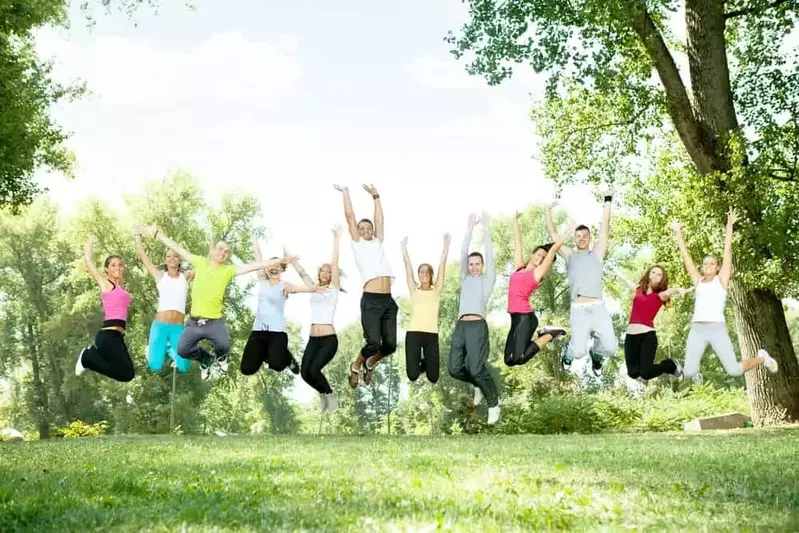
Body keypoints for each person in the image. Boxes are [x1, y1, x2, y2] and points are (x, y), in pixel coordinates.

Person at [143, 226, 294, 381]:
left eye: (226, 252)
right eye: (220, 249)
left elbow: (254, 266)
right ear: (213, 251)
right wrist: (157, 234)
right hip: (195, 322)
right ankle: (206, 360)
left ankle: (221, 357)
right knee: (182, 350)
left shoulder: (229, 270)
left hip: (214, 322)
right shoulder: (200, 263)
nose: (223, 253)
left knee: (224, 345)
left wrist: (280, 260)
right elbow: (178, 249)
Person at [671, 208, 778, 383]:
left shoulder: (721, 281)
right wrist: (678, 231)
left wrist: (729, 225)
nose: (708, 266)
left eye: (712, 264)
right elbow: (686, 256)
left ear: (718, 267)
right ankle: (694, 371)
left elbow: (727, 251)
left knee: (734, 370)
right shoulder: (697, 281)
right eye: (705, 264)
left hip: (716, 329)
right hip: (697, 329)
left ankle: (763, 358)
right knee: (688, 373)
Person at [545, 190, 617, 377]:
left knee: (610, 347)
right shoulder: (570, 256)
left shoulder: (597, 253)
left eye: (585, 235)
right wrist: (547, 211)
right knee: (578, 352)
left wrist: (608, 200)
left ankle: (597, 354)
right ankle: (569, 353)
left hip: (598, 308)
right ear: (574, 238)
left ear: (589, 238)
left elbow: (605, 228)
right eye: (578, 236)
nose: (582, 238)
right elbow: (553, 234)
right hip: (579, 310)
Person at [335, 184, 397, 389]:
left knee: (389, 346)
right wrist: (345, 192)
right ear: (359, 233)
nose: (365, 230)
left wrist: (376, 196)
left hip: (388, 301)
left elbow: (379, 219)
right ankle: (356, 365)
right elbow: (350, 217)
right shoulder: (358, 245)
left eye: (368, 228)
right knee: (373, 344)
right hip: (371, 300)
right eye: (362, 229)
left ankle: (370, 363)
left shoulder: (378, 242)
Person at [449, 212, 500, 425]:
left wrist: (485, 230)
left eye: (477, 264)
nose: (473, 267)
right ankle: (477, 385)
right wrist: (469, 230)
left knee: (477, 368)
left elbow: (489, 254)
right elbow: (462, 253)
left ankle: (494, 403)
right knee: (454, 368)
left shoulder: (487, 281)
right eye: (471, 264)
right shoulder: (465, 278)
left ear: (483, 266)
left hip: (477, 326)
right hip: (461, 325)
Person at [241, 239, 318, 377]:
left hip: (276, 333)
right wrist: (254, 241)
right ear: (267, 268)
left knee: (277, 365)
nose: (274, 268)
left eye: (278, 265)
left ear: (282, 269)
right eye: (271, 265)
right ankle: (266, 353)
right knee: (247, 369)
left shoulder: (285, 286)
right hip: (258, 331)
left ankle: (287, 359)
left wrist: (294, 263)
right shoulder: (262, 281)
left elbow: (310, 288)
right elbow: (258, 258)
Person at [504, 212, 570, 367]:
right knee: (509, 360)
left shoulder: (537, 273)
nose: (539, 259)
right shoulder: (519, 268)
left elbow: (553, 251)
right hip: (515, 318)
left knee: (519, 358)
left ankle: (548, 335)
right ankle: (545, 334)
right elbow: (517, 244)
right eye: (538, 255)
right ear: (533, 254)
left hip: (525, 318)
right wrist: (514, 220)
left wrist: (569, 230)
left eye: (542, 258)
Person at [75, 236, 135, 383]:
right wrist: (90, 243)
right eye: (113, 265)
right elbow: (88, 262)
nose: (117, 268)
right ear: (107, 269)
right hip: (107, 335)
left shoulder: (122, 289)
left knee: (128, 374)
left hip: (117, 337)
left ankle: (89, 357)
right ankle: (87, 357)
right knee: (126, 374)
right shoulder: (106, 284)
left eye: (120, 265)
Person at [134, 230, 193, 374]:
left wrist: (211, 247)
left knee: (185, 366)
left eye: (175, 256)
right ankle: (157, 349)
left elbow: (205, 267)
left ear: (180, 259)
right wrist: (137, 235)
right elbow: (142, 256)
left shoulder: (186, 276)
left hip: (177, 328)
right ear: (165, 260)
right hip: (160, 326)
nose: (172, 258)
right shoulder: (160, 276)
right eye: (169, 256)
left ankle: (172, 352)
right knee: (155, 365)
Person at [620, 265, 691, 383]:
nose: (655, 275)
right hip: (630, 337)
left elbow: (671, 291)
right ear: (648, 274)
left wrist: (679, 290)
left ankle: (670, 365)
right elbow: (628, 282)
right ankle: (665, 366)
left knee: (646, 373)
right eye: (653, 272)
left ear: (661, 280)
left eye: (659, 274)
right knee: (633, 373)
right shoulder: (638, 289)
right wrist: (619, 273)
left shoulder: (660, 295)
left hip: (647, 336)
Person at [302, 225, 343, 413]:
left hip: (328, 340)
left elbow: (334, 263)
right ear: (318, 273)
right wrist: (292, 261)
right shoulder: (314, 287)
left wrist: (336, 239)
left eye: (328, 272)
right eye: (323, 271)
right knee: (305, 373)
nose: (326, 274)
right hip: (313, 339)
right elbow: (303, 275)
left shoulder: (333, 290)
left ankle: (330, 394)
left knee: (315, 369)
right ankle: (323, 394)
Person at [400, 233, 451, 384]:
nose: (423, 274)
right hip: (413, 334)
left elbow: (442, 265)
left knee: (433, 377)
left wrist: (446, 246)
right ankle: (419, 360)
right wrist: (404, 249)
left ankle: (425, 359)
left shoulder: (437, 290)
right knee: (413, 376)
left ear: (431, 275)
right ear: (418, 275)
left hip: (431, 335)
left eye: (426, 272)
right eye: (421, 272)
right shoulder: (413, 289)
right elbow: (407, 267)